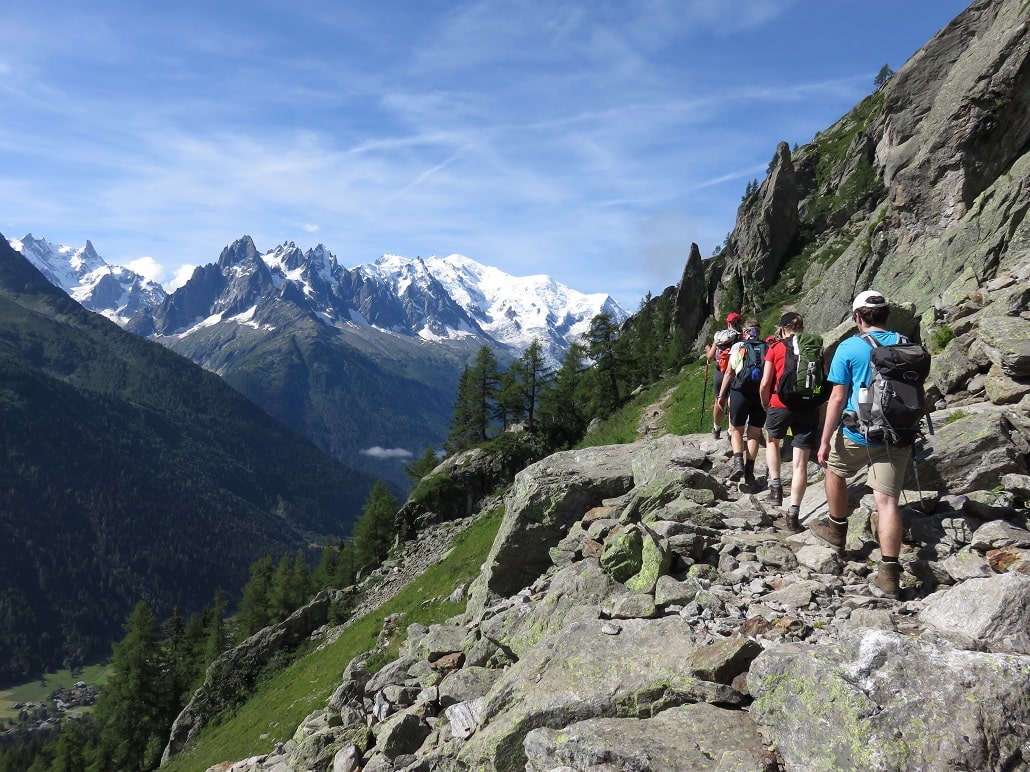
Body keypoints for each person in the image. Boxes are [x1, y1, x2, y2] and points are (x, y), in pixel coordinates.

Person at [811, 290, 912, 598]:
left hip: (859, 433)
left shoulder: (850, 347)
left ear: (857, 317)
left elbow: (838, 398)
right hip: (898, 433)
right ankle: (889, 574)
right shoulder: (907, 344)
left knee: (834, 470)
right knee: (887, 502)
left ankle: (837, 528)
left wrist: (824, 440)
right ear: (886, 315)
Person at [759, 311, 823, 531]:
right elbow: (821, 380)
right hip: (808, 407)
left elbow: (766, 382)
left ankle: (776, 490)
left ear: (783, 328)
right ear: (801, 327)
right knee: (800, 464)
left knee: (772, 442)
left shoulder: (775, 348)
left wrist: (765, 403)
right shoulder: (814, 347)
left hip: (779, 404)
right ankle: (793, 516)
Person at [716, 318, 766, 492]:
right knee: (754, 432)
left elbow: (729, 372)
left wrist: (721, 395)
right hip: (760, 394)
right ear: (758, 331)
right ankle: (750, 471)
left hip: (740, 393)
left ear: (745, 332)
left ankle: (738, 462)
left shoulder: (739, 346)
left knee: (736, 429)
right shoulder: (767, 347)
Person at [705, 313, 743, 439]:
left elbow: (710, 357)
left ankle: (716, 428)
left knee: (719, 400)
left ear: (728, 323)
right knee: (733, 400)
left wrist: (707, 348)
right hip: (734, 372)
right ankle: (731, 431)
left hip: (719, 372)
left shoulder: (720, 336)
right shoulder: (741, 336)